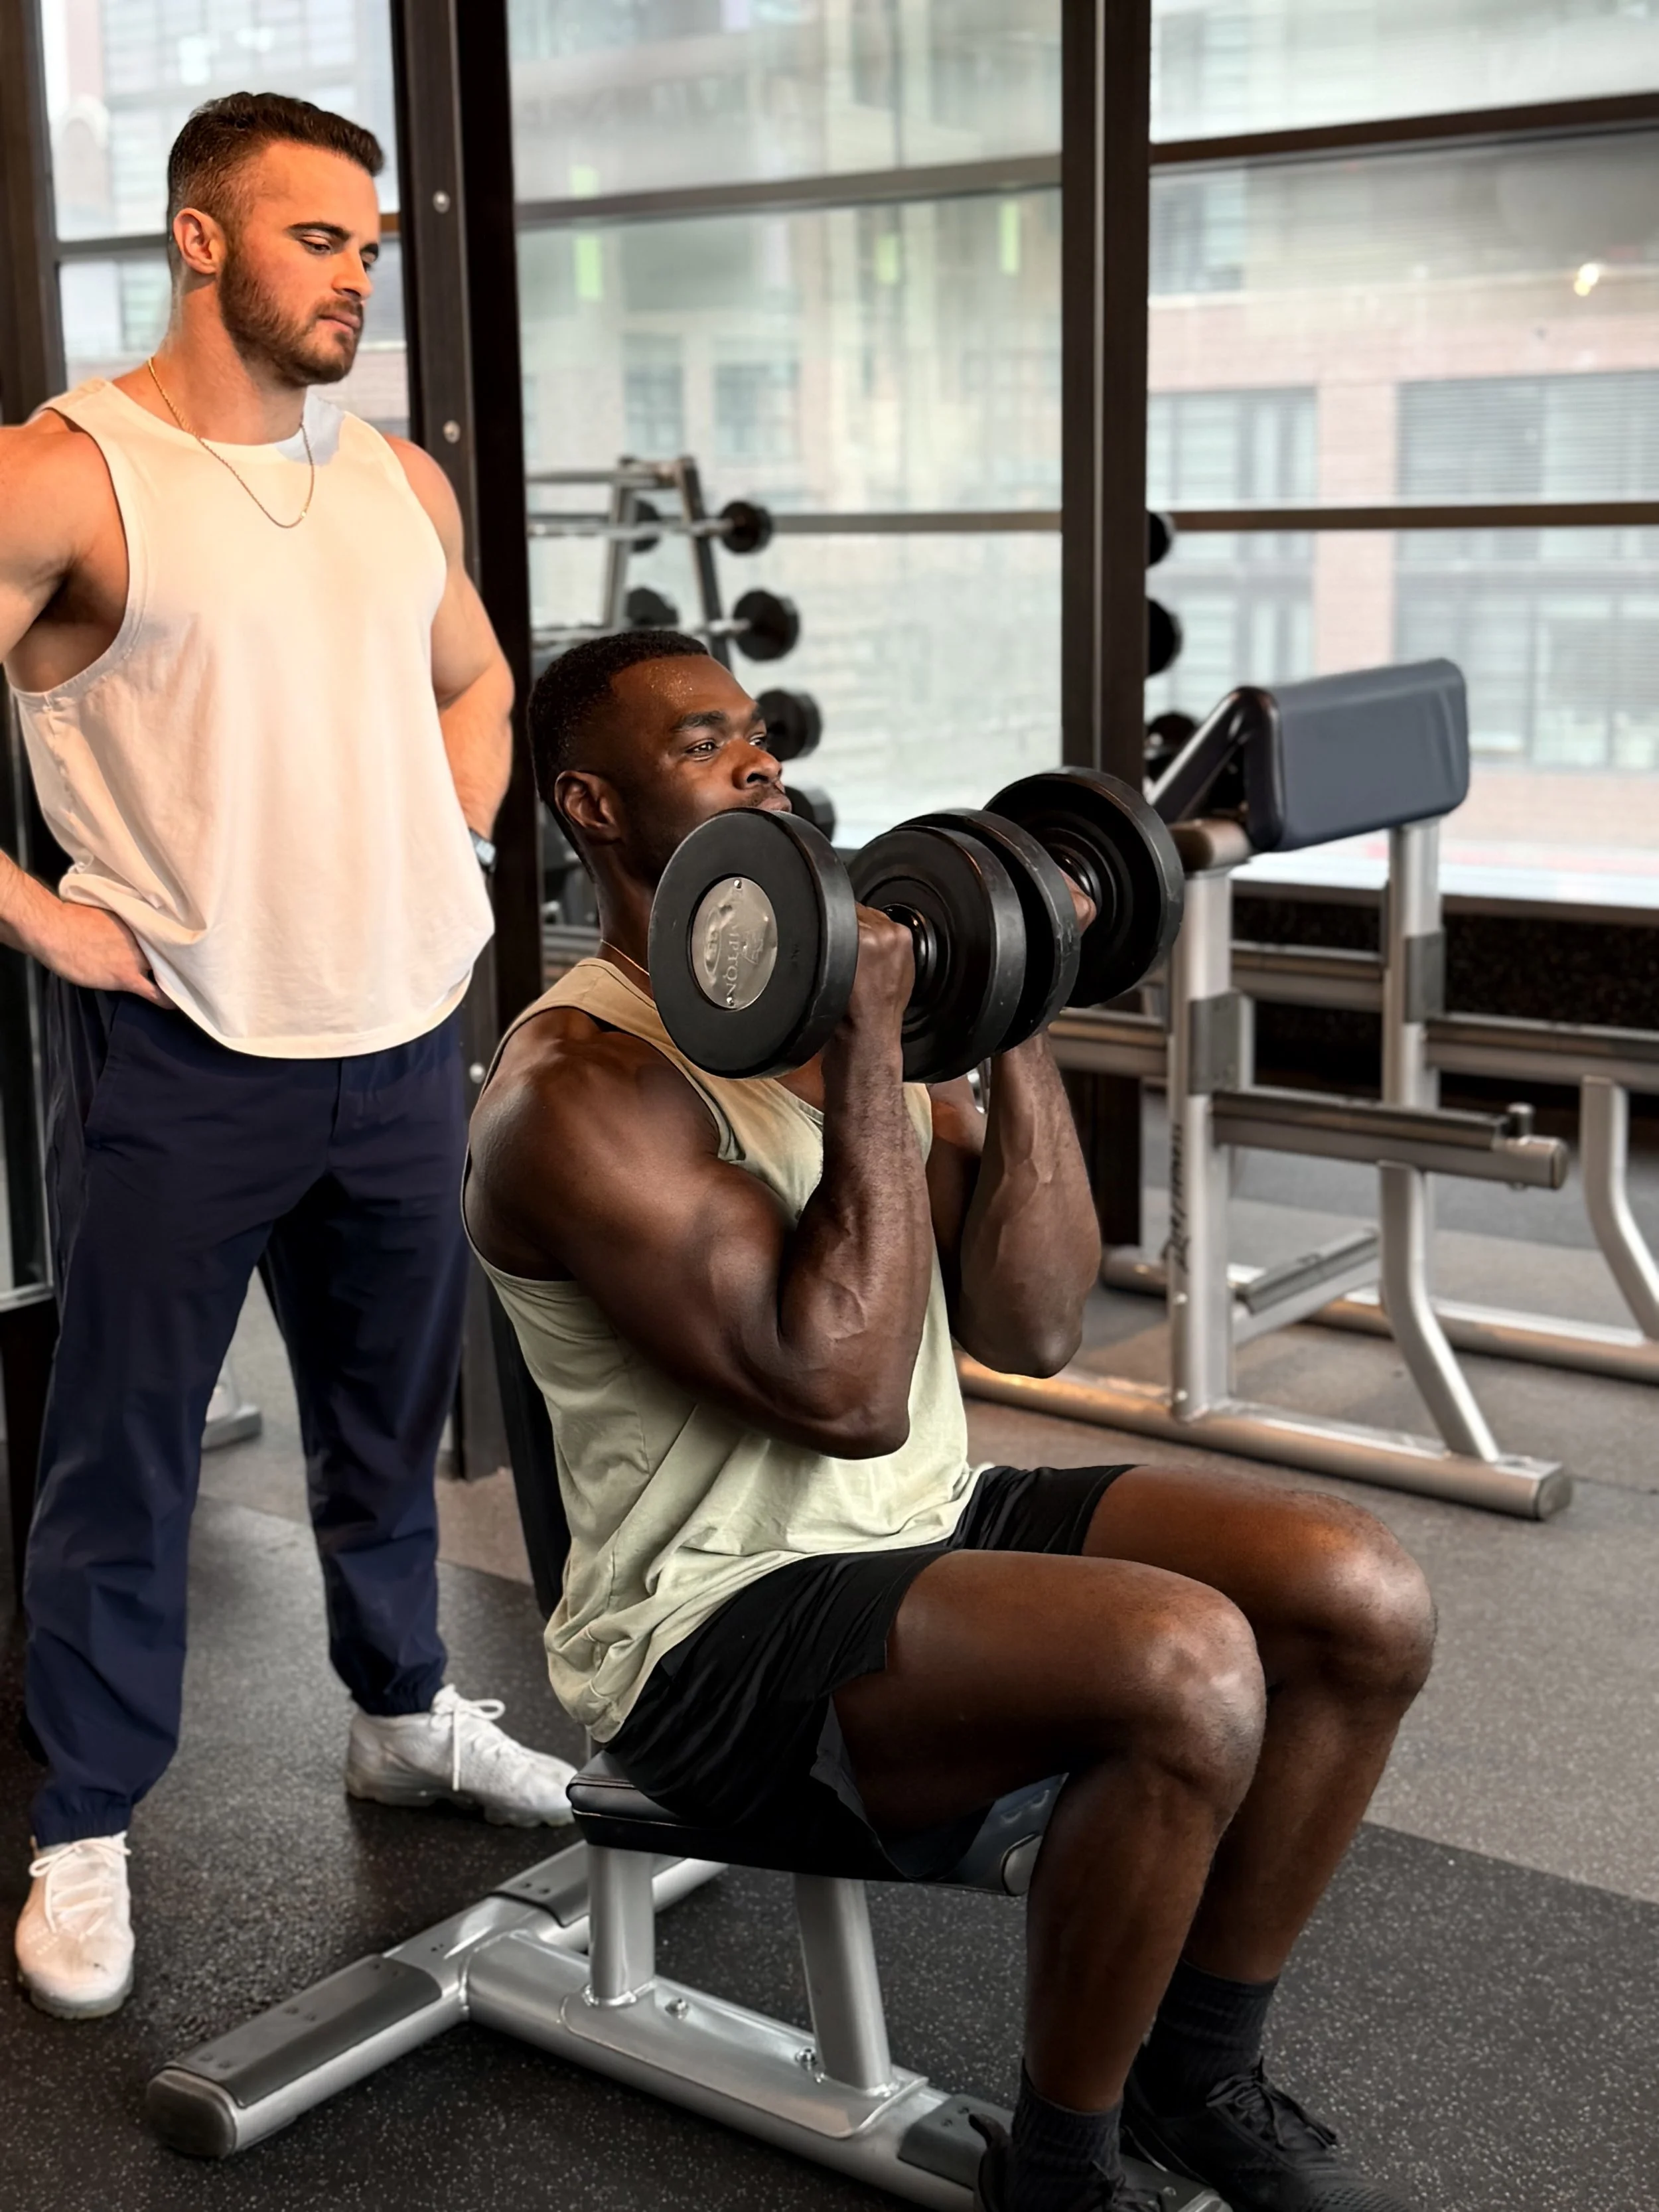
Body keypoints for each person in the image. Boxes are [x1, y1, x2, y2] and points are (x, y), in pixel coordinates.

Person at [464, 627, 1437, 2212]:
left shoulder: (841, 1017)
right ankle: (1058, 2173)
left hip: (916, 1522)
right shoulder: (576, 1088)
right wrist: (869, 1046)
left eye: (758, 731)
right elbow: (847, 1395)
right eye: (703, 742)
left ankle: (1196, 2080)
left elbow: (1032, 1321)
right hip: (711, 1626)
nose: (759, 759)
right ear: (591, 805)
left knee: (1357, 1592)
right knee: (1185, 1665)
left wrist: (1010, 992)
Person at [0, 92, 575, 2024]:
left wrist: (442, 850)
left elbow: (476, 677)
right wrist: (47, 918)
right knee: (126, 1453)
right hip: (184, 1046)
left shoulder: (392, 479)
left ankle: (403, 1714)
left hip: (401, 1037)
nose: (354, 278)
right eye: (318, 240)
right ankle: (86, 1819)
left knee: (383, 1422)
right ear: (200, 239)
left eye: (368, 249)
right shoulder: (70, 474)